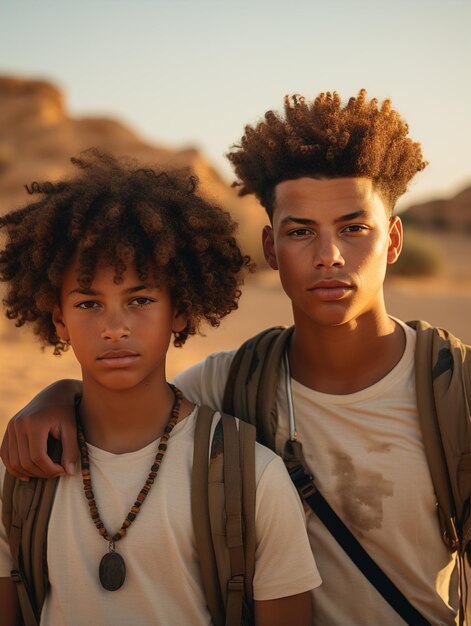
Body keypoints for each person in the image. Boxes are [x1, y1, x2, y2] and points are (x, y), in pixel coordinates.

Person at [1, 90, 469, 625]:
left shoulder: (456, 394)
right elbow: (130, 391)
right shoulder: (228, 383)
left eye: (354, 227)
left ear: (393, 239)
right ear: (270, 249)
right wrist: (57, 395)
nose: (329, 255)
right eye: (300, 232)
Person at [0, 151, 320, 626]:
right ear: (58, 320)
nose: (114, 328)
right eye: (89, 303)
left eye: (141, 300)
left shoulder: (253, 477)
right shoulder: (20, 472)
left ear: (181, 311)